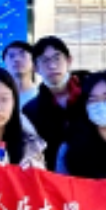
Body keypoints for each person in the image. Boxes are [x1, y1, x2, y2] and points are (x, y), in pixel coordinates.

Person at [23, 36, 83, 170]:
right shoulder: (31, 110)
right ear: (36, 68)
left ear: (69, 60)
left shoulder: (91, 95)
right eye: (45, 61)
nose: (52, 66)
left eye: (57, 58)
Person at [2, 40, 41, 109]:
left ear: (33, 62)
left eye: (23, 55)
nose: (17, 59)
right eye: (11, 56)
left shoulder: (42, 96)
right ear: (5, 64)